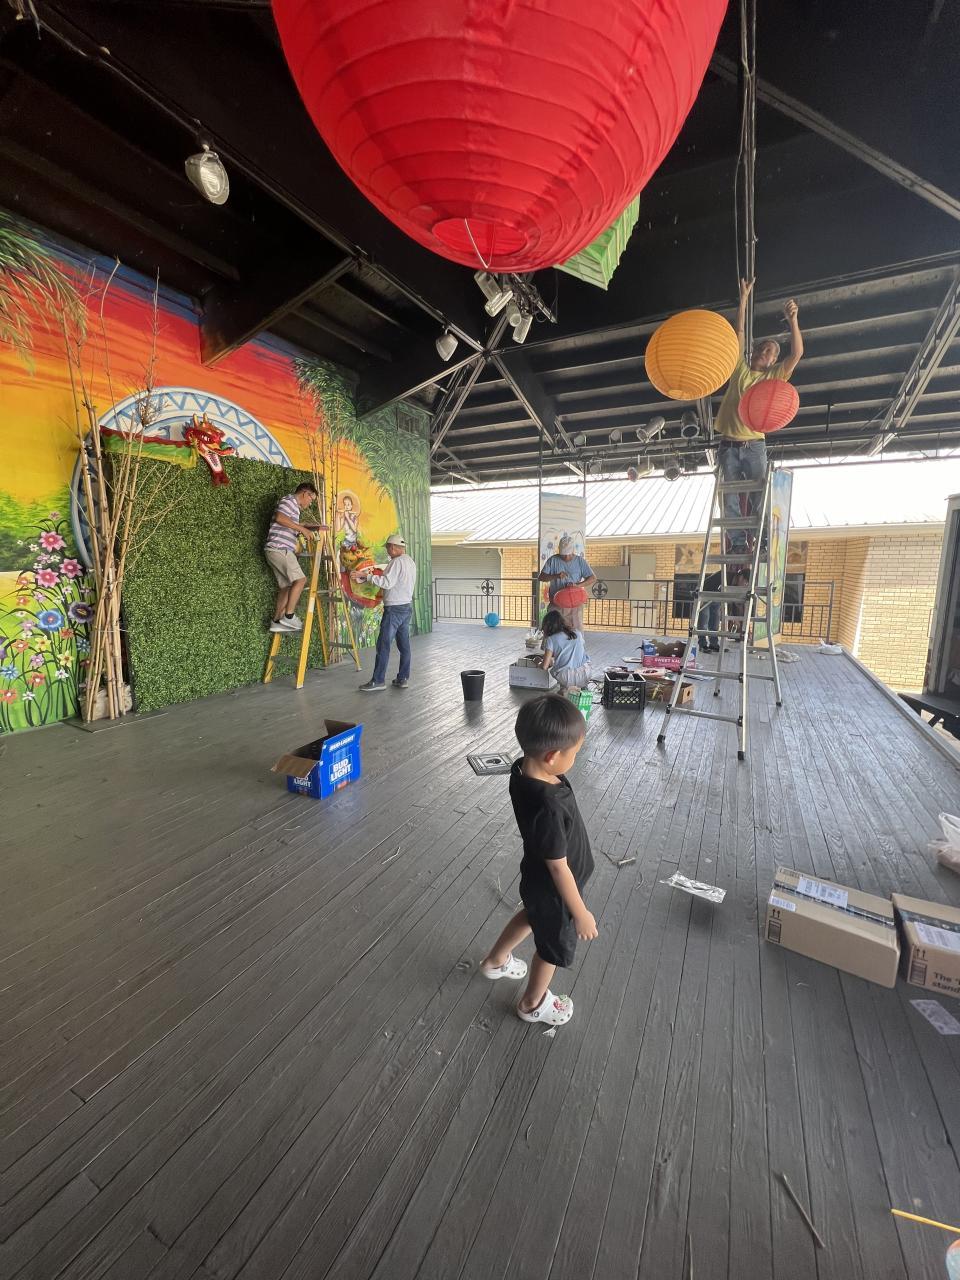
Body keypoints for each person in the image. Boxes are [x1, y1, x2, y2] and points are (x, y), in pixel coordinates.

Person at [480, 695, 597, 1026]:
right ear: (552, 756)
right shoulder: (548, 807)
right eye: (574, 753)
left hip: (535, 876)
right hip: (556, 889)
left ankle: (495, 961)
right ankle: (532, 1004)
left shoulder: (522, 769)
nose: (575, 758)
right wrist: (580, 913)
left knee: (532, 915)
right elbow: (559, 867)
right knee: (551, 949)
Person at [715, 279, 804, 558]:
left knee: (759, 495)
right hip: (728, 444)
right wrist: (743, 299)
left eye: (769, 352)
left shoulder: (772, 378)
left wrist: (793, 320)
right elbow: (738, 332)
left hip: (754, 445)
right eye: (761, 348)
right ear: (753, 352)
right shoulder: (740, 370)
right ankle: (738, 541)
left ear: (772, 361)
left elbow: (797, 354)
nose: (763, 353)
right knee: (728, 497)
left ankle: (762, 538)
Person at [354, 533, 417, 691]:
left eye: (388, 548)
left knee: (383, 645)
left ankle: (378, 681)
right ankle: (403, 678)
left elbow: (387, 583)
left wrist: (366, 576)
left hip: (394, 609)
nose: (387, 551)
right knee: (404, 646)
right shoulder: (410, 561)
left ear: (393, 547)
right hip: (406, 607)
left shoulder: (396, 562)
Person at [264, 482, 320, 633]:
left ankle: (276, 621)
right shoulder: (289, 501)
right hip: (280, 549)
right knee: (301, 580)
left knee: (286, 586)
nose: (310, 503)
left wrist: (302, 525)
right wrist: (302, 528)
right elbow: (280, 518)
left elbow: (286, 522)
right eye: (311, 499)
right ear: (305, 493)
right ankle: (289, 616)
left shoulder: (293, 507)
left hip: (273, 550)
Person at [538, 536, 596, 631]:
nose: (566, 557)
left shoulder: (580, 561)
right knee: (552, 631)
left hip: (575, 605)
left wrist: (577, 585)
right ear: (559, 551)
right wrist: (556, 576)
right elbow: (541, 577)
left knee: (575, 632)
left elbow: (592, 578)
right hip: (556, 604)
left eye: (568, 554)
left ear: (573, 550)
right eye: (563, 554)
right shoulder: (553, 560)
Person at [540, 609, 592, 690]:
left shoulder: (551, 639)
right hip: (585, 673)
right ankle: (580, 691)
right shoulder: (577, 633)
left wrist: (538, 662)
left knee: (559, 670)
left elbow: (544, 666)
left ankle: (564, 690)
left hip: (567, 677)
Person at [697, 570, 722, 653]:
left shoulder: (736, 583)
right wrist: (700, 599)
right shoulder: (724, 575)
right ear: (741, 577)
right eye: (746, 582)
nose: (745, 585)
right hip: (705, 595)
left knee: (715, 623)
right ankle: (702, 645)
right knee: (703, 621)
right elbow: (706, 583)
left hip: (716, 598)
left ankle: (713, 644)